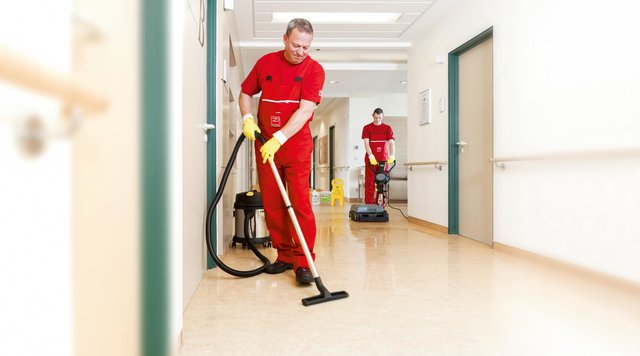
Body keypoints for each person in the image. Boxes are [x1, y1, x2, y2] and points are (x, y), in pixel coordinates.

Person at [239, 18, 325, 285]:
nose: (301, 51)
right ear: (285, 38)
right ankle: (284, 255)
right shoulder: (266, 62)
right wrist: (247, 119)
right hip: (266, 145)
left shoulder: (314, 69)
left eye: (306, 47)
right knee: (273, 204)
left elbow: (306, 110)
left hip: (296, 147)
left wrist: (280, 137)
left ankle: (303, 261)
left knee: (299, 203)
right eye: (297, 45)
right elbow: (245, 93)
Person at [361, 108, 395, 205]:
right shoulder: (367, 128)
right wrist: (371, 156)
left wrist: (392, 155)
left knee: (382, 181)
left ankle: (381, 203)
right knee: (370, 181)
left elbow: (391, 143)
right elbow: (366, 144)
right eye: (376, 118)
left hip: (383, 160)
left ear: (382, 116)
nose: (377, 120)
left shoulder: (388, 128)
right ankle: (369, 203)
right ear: (373, 116)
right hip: (371, 159)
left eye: (379, 118)